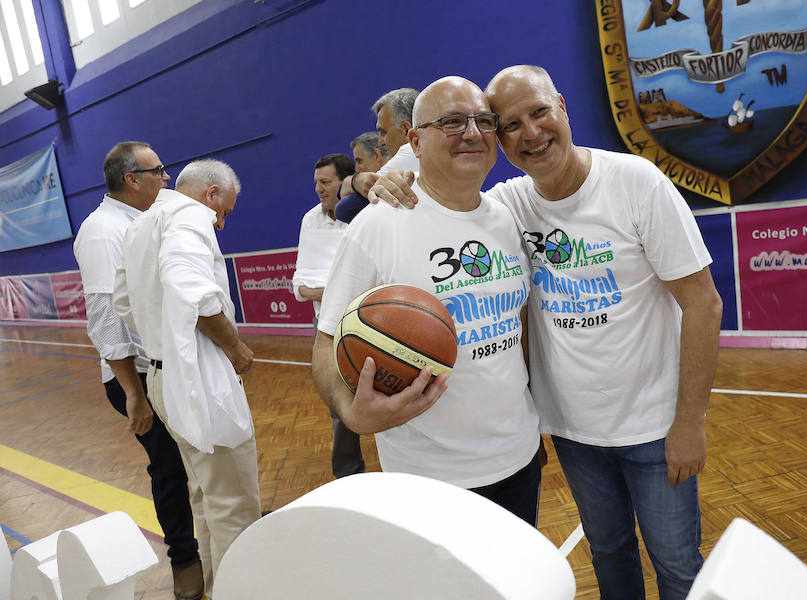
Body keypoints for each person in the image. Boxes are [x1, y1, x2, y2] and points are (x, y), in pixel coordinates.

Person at [372, 65, 723, 599]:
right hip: (572, 431)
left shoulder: (636, 182)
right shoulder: (510, 205)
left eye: (539, 112)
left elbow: (703, 304)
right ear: (498, 138)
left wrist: (690, 423)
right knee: (609, 555)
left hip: (654, 427)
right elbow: (432, 166)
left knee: (676, 565)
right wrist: (380, 176)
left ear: (562, 105)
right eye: (510, 125)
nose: (530, 133)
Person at [311, 76, 543, 525]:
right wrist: (349, 410)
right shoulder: (380, 224)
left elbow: (518, 329)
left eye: (483, 121)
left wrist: (532, 431)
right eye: (453, 122)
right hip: (429, 477)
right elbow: (325, 344)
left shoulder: (506, 218)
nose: (472, 133)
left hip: (518, 456)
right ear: (414, 141)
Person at [114, 159, 261, 595]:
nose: (220, 223)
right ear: (211, 193)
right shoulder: (190, 215)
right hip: (199, 377)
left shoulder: (141, 224)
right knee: (234, 502)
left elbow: (124, 302)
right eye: (225, 211)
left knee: (206, 496)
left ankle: (217, 588)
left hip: (162, 375)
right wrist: (234, 348)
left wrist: (164, 336)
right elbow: (190, 288)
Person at [72, 141, 203, 600]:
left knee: (195, 454)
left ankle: (211, 536)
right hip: (138, 377)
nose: (165, 178)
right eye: (158, 171)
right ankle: (185, 560)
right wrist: (134, 392)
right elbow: (105, 318)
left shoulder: (143, 220)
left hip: (165, 366)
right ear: (132, 179)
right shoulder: (102, 231)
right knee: (168, 467)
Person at [290, 152, 363, 478]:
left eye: (325, 182)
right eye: (316, 183)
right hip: (330, 325)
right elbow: (301, 285)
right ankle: (347, 475)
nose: (319, 189)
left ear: (344, 183)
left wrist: (326, 287)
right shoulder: (310, 220)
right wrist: (331, 289)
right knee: (338, 403)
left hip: (371, 320)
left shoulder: (366, 215)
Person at [336, 88, 419, 220]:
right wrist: (355, 180)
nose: (380, 142)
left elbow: (345, 209)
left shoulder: (410, 151)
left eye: (383, 132)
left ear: (406, 129)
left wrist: (354, 182)